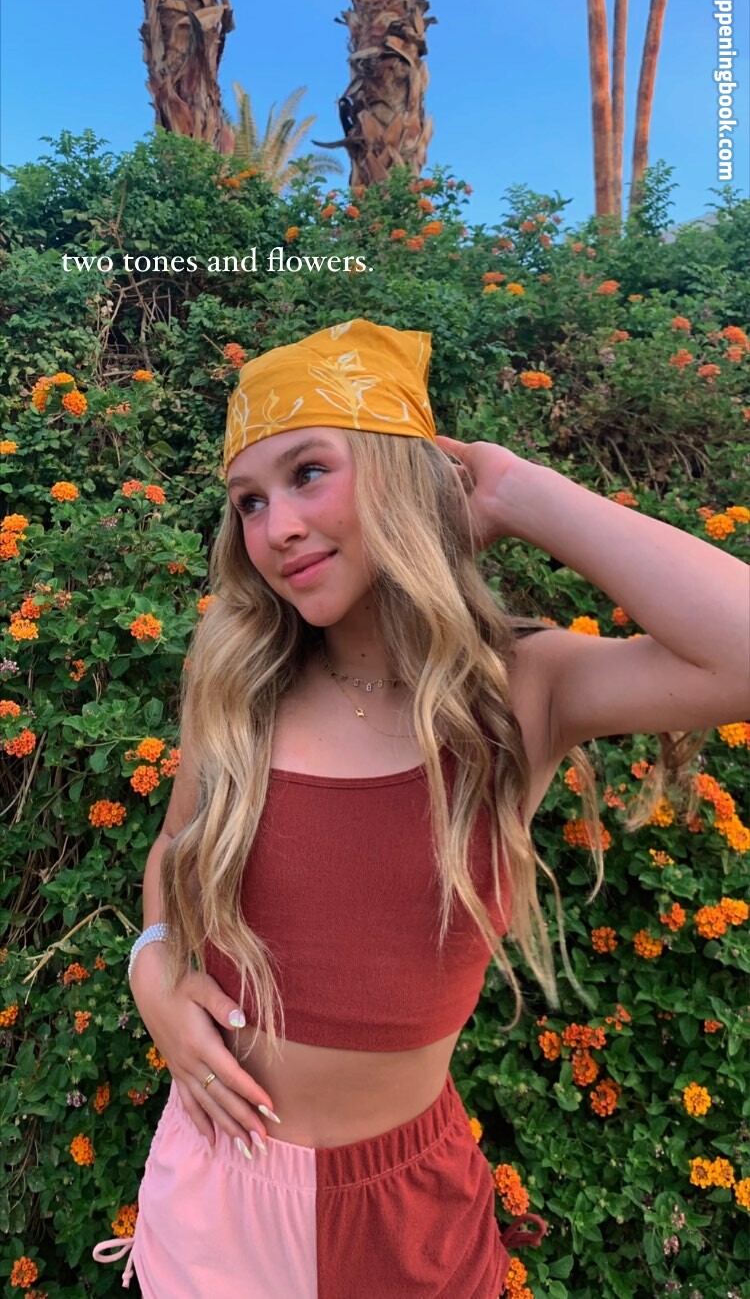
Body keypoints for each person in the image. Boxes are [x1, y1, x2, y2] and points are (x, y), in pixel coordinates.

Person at [93, 317, 748, 1297]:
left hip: (406, 1215)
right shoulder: (237, 681)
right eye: (249, 501)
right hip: (213, 1190)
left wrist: (517, 492)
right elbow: (173, 847)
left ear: (400, 472)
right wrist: (153, 966)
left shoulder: (517, 692)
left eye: (310, 472)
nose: (277, 526)